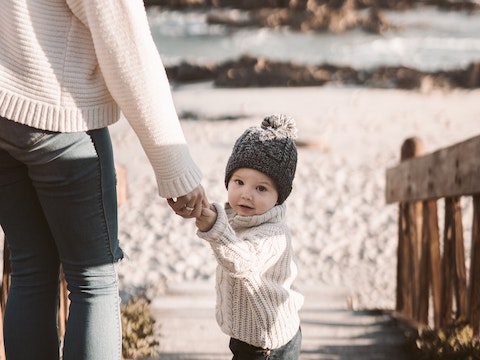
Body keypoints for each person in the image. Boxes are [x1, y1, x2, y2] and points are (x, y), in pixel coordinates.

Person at [0, 0, 206, 359]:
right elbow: (128, 51)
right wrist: (175, 167)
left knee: (30, 269)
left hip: (3, 111)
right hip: (58, 113)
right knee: (93, 282)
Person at [194, 114, 304, 360]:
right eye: (239, 181)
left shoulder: (273, 234)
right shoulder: (238, 219)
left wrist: (214, 226)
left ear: (279, 196)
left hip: (267, 343)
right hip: (251, 335)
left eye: (261, 188)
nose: (246, 194)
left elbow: (242, 261)